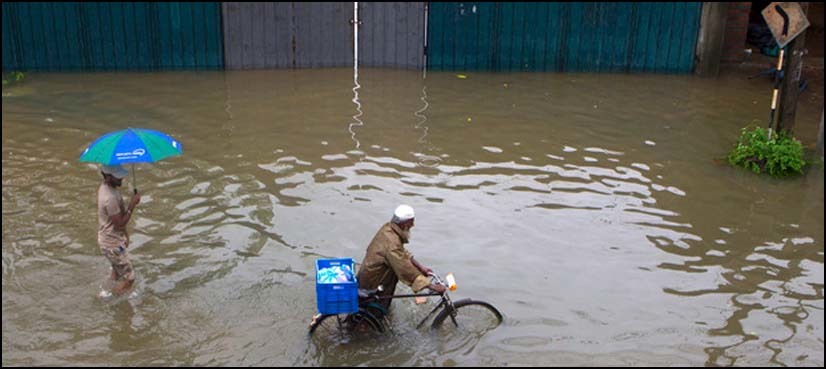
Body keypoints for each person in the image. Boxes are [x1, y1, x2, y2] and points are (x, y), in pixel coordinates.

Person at [356, 204, 445, 317]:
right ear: (403, 224)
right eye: (411, 222)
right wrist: (431, 286)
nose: (413, 225)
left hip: (371, 278)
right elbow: (405, 269)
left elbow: (402, 253)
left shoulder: (388, 229)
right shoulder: (392, 243)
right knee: (374, 316)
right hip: (371, 285)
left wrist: (420, 267)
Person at [97, 164, 141, 296]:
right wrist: (132, 205)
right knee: (130, 278)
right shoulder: (109, 198)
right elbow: (119, 224)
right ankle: (113, 299)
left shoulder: (106, 187)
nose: (121, 179)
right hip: (112, 244)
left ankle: (105, 292)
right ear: (108, 177)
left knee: (116, 271)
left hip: (107, 240)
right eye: (118, 177)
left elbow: (118, 220)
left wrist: (125, 235)